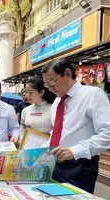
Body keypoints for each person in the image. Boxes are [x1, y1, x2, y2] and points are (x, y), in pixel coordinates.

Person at [42, 58, 110, 194]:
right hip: (55, 163)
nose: (50, 88)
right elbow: (58, 133)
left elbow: (107, 133)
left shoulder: (92, 95)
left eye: (52, 81)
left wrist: (75, 150)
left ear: (67, 73)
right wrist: (41, 151)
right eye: (46, 85)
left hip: (80, 164)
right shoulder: (57, 102)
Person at [20, 76, 56, 140]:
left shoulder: (53, 109)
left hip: (48, 147)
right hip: (29, 147)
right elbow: (22, 126)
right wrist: (22, 138)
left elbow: (57, 132)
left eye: (31, 92)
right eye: (26, 92)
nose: (27, 95)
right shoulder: (25, 110)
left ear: (41, 92)